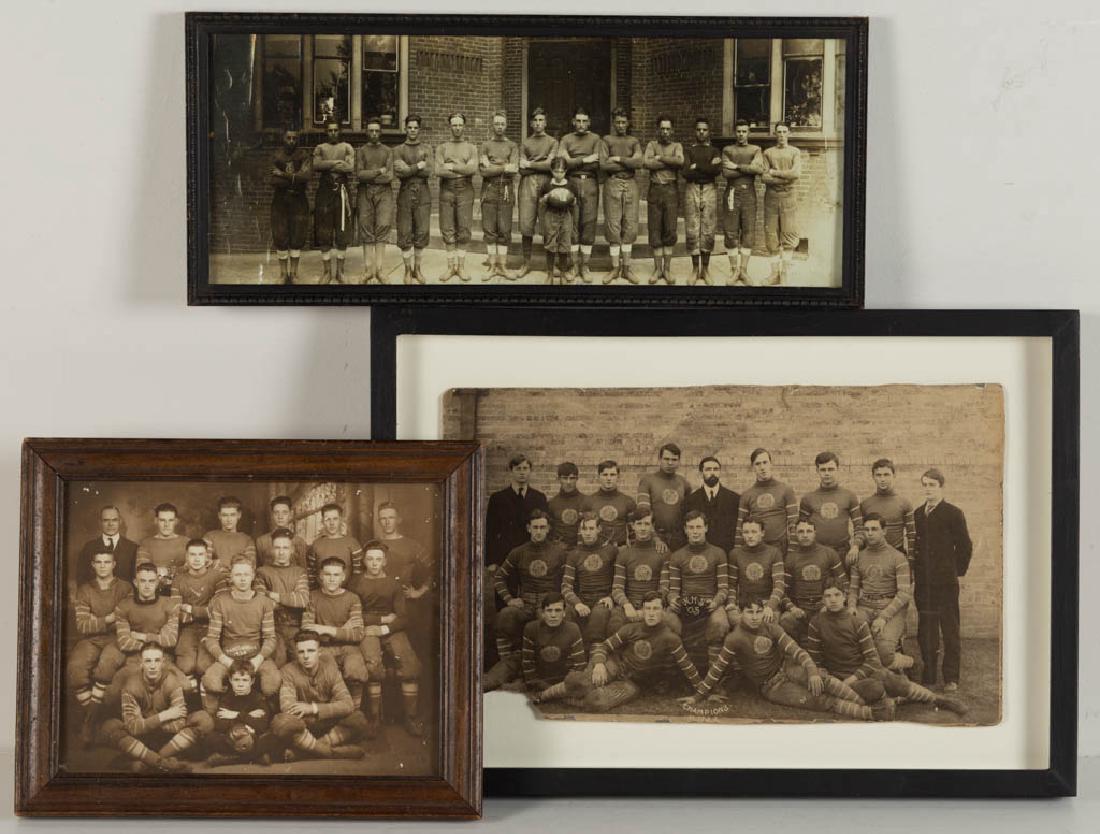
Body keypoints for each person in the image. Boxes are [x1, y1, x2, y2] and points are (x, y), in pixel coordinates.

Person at [693, 600, 892, 721]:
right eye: (749, 612)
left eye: (758, 612)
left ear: (763, 612)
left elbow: (797, 651)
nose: (755, 617)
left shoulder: (770, 627)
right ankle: (871, 713)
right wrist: (697, 697)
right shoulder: (734, 638)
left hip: (787, 668)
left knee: (823, 680)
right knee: (819, 700)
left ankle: (872, 703)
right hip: (771, 685)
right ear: (740, 613)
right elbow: (717, 669)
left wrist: (812, 672)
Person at [806, 583, 967, 716]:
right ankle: (889, 702)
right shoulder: (816, 622)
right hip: (838, 676)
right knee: (873, 689)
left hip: (860, 672)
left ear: (845, 597)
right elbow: (815, 657)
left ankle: (938, 700)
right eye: (828, 596)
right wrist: (822, 672)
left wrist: (854, 678)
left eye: (837, 595)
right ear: (822, 600)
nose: (833, 600)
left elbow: (873, 660)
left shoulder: (857, 622)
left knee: (896, 683)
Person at [564, 593, 704, 712]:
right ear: (642, 610)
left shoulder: (671, 638)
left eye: (656, 608)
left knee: (597, 702)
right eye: (647, 608)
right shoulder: (631, 628)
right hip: (615, 666)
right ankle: (545, 694)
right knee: (576, 681)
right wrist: (599, 664)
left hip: (632, 683)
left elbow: (688, 666)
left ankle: (570, 700)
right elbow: (604, 646)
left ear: (663, 611)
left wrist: (701, 694)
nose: (651, 613)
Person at [97, 642, 211, 772]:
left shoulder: (172, 682)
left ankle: (149, 761)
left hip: (167, 739)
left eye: (156, 660)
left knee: (204, 719)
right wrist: (165, 715)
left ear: (163, 662)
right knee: (108, 727)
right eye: (148, 661)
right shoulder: (130, 686)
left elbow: (179, 724)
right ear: (141, 663)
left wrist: (144, 722)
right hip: (142, 739)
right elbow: (133, 729)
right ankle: (161, 762)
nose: (152, 666)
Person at [350, 541, 424, 737]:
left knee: (410, 665)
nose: (374, 563)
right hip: (365, 628)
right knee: (373, 665)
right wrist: (377, 621)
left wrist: (384, 628)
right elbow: (353, 613)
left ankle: (411, 717)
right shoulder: (355, 583)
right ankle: (375, 718)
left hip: (389, 629)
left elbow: (402, 617)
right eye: (370, 559)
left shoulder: (394, 584)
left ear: (384, 561)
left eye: (378, 559)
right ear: (364, 561)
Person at [913, 468, 972, 692]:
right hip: (924, 584)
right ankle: (928, 674)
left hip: (946, 584)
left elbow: (965, 546)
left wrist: (955, 571)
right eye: (925, 484)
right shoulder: (918, 514)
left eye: (932, 485)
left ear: (941, 487)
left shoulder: (953, 513)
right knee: (926, 629)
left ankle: (951, 678)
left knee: (949, 629)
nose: (928, 489)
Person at [271, 631, 368, 760]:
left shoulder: (330, 669)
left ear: (319, 651)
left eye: (311, 651)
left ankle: (306, 752)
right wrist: (306, 713)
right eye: (301, 652)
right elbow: (287, 707)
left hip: (328, 724)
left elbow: (347, 704)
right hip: (302, 726)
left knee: (358, 719)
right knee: (281, 723)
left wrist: (313, 708)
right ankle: (330, 753)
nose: (306, 656)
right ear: (296, 653)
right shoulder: (287, 671)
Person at [200, 557, 280, 712]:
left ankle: (263, 715)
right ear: (230, 577)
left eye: (246, 574)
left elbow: (270, 638)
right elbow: (211, 639)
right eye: (237, 575)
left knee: (271, 684)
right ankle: (217, 717)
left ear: (253, 576)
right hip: (229, 655)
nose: (242, 579)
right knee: (210, 681)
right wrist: (225, 660)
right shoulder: (220, 601)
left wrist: (259, 659)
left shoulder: (264, 602)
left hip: (255, 656)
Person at [95, 563, 181, 696]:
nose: (147, 586)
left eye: (151, 581)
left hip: (159, 656)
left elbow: (170, 641)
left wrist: (141, 636)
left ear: (158, 582)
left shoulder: (170, 605)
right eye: (143, 581)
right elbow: (124, 642)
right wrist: (157, 639)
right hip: (133, 657)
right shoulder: (123, 606)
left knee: (183, 686)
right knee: (118, 689)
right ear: (135, 582)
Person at [493, 510, 567, 661]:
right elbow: (499, 577)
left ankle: (543, 665)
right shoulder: (518, 552)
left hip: (548, 603)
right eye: (535, 527)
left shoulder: (559, 552)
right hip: (525, 603)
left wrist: (561, 599)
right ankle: (506, 663)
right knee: (505, 616)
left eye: (542, 527)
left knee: (546, 626)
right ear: (528, 528)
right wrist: (509, 600)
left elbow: (569, 579)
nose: (538, 531)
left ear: (548, 529)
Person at [67, 548, 133, 710]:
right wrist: (109, 619)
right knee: (75, 669)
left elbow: (128, 620)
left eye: (107, 562)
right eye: (99, 562)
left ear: (114, 564)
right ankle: (90, 713)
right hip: (91, 640)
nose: (103, 566)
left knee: (106, 665)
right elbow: (82, 625)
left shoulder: (126, 588)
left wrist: (96, 621)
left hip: (117, 638)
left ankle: (92, 717)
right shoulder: (84, 590)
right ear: (93, 565)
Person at [301, 557, 368, 712]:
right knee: (324, 673)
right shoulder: (312, 597)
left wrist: (324, 629)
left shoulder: (352, 598)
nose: (332, 579)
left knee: (355, 668)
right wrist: (343, 630)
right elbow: (307, 631)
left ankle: (355, 712)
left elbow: (358, 634)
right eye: (328, 574)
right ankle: (332, 714)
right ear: (321, 576)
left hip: (348, 648)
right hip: (322, 648)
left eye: (336, 575)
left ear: (343, 577)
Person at [848, 513, 913, 670]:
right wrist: (851, 607)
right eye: (867, 529)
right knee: (848, 643)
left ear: (884, 531)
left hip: (890, 608)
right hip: (865, 606)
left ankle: (909, 662)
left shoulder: (898, 557)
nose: (870, 533)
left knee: (883, 652)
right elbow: (853, 589)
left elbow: (904, 593)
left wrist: (883, 617)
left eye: (875, 529)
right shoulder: (860, 557)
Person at [666, 511, 729, 669]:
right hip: (684, 604)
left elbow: (723, 588)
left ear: (706, 528)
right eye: (691, 527)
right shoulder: (677, 556)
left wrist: (715, 602)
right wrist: (673, 600)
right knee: (666, 621)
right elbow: (673, 590)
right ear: (685, 530)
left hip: (710, 602)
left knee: (720, 623)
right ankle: (678, 674)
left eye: (699, 527)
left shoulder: (718, 553)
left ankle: (713, 677)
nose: (695, 531)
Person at [607, 509, 678, 634]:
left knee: (673, 623)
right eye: (639, 524)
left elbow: (665, 587)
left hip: (654, 605)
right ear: (633, 526)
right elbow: (617, 588)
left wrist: (649, 608)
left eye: (646, 524)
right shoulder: (624, 555)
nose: (643, 528)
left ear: (652, 526)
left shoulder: (663, 553)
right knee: (615, 624)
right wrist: (627, 605)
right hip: (630, 605)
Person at [779, 519, 847, 646]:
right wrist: (792, 608)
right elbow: (783, 592)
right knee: (786, 620)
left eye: (809, 531)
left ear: (815, 532)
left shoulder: (829, 553)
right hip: (801, 608)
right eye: (801, 532)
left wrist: (829, 605)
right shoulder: (790, 558)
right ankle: (797, 653)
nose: (805, 535)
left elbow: (843, 584)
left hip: (824, 607)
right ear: (795, 535)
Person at [171, 538, 227, 691]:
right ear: (186, 556)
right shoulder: (179, 580)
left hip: (212, 628)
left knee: (204, 666)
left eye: (200, 555)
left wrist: (190, 609)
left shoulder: (218, 577)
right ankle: (193, 701)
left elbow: (219, 610)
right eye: (192, 555)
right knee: (185, 666)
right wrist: (204, 611)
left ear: (206, 557)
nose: (196, 559)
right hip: (187, 628)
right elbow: (176, 612)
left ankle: (204, 703)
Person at [204, 660, 281, 767]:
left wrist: (235, 715)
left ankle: (230, 759)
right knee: (210, 738)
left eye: (245, 680)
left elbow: (261, 726)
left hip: (254, 738)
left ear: (252, 681)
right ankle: (255, 757)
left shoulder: (258, 698)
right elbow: (220, 725)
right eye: (236, 680)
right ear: (230, 680)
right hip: (231, 738)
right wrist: (248, 719)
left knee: (273, 737)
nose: (240, 684)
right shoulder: (226, 698)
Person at [556, 107, 602, 281]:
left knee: (588, 224)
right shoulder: (566, 139)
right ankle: (573, 265)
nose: (581, 124)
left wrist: (573, 161)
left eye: (584, 121)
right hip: (572, 182)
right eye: (578, 121)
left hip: (590, 182)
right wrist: (584, 160)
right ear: (573, 122)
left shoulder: (596, 139)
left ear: (589, 122)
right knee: (573, 223)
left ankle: (585, 266)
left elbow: (596, 164)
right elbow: (563, 162)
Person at [561, 512, 618, 651]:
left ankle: (595, 659)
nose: (587, 533)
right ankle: (573, 656)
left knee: (598, 615)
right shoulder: (574, 554)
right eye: (584, 529)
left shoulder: (611, 551)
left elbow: (621, 581)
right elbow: (565, 586)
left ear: (599, 529)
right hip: (583, 599)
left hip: (603, 599)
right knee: (566, 613)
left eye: (591, 529)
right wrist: (577, 603)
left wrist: (611, 597)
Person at [254, 528, 310, 666]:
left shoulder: (299, 572)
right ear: (271, 549)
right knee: (278, 660)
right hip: (272, 628)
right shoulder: (262, 572)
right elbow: (261, 602)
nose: (281, 552)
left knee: (301, 662)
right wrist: (290, 599)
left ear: (292, 550)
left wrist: (272, 595)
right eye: (277, 547)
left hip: (295, 628)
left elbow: (303, 599)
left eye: (285, 547)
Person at [599, 108, 643, 284]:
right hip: (613, 183)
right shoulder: (606, 140)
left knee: (630, 225)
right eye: (618, 122)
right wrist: (628, 162)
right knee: (613, 225)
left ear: (628, 123)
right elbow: (603, 164)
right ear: (613, 122)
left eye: (624, 122)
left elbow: (639, 162)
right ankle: (615, 268)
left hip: (631, 184)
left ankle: (626, 269)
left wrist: (618, 159)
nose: (621, 125)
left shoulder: (634, 141)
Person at [515, 107, 559, 279]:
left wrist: (531, 165)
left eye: (542, 120)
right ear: (531, 123)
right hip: (527, 185)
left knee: (549, 225)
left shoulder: (553, 142)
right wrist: (539, 164)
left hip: (547, 184)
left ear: (545, 123)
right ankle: (526, 263)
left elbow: (551, 166)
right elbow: (521, 169)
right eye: (536, 120)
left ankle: (550, 267)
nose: (539, 123)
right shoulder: (525, 143)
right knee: (526, 225)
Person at [435, 112, 479, 282]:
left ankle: (460, 267)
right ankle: (450, 267)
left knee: (464, 228)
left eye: (460, 125)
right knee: (447, 227)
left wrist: (451, 166)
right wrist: (462, 168)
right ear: (450, 126)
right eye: (454, 125)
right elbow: (439, 171)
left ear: (464, 126)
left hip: (465, 190)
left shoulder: (471, 147)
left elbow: (472, 170)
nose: (457, 128)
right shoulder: (442, 147)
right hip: (446, 190)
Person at [799, 451, 862, 568]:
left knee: (843, 585)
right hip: (816, 553)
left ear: (837, 469)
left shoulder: (849, 496)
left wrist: (855, 546)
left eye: (831, 469)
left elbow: (859, 526)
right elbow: (801, 529)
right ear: (817, 471)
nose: (827, 473)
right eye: (823, 470)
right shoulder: (808, 498)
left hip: (842, 552)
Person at [485, 454, 549, 569]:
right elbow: (491, 532)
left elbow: (544, 529)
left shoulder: (539, 497)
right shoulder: (498, 498)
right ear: (511, 471)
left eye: (525, 468)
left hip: (531, 555)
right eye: (518, 469)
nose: (522, 472)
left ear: (530, 471)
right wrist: (491, 561)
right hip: (505, 555)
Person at [721, 119, 764, 285]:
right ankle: (734, 270)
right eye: (738, 131)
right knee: (730, 233)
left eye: (744, 131)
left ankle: (744, 270)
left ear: (749, 133)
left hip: (749, 194)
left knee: (748, 232)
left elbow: (758, 170)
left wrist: (737, 167)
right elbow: (726, 173)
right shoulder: (727, 149)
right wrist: (747, 169)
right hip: (732, 193)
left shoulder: (755, 149)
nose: (741, 134)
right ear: (735, 132)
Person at [312, 121, 355, 284]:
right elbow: (316, 165)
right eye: (330, 130)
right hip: (324, 193)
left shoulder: (347, 147)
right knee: (324, 231)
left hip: (342, 192)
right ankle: (327, 272)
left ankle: (340, 272)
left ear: (340, 131)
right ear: (326, 132)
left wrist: (327, 166)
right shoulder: (320, 148)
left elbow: (350, 168)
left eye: (336, 129)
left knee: (342, 231)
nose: (333, 132)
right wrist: (336, 163)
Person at [392, 114, 432, 284]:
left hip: (423, 192)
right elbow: (399, 173)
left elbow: (429, 171)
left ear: (419, 129)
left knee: (422, 232)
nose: (413, 130)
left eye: (416, 127)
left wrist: (409, 169)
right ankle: (407, 271)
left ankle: (418, 269)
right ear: (405, 128)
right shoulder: (398, 150)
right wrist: (418, 166)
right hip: (405, 192)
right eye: (410, 127)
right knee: (405, 231)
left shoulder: (427, 148)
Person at [682, 117, 723, 285]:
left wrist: (697, 166)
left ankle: (705, 269)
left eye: (704, 130)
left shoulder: (714, 151)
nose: (701, 132)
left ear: (708, 132)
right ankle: (694, 269)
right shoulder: (688, 150)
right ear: (695, 131)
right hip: (691, 189)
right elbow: (685, 173)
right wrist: (706, 167)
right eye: (698, 129)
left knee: (708, 227)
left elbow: (716, 171)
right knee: (692, 227)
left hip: (709, 190)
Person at [643, 115, 683, 284]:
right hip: (655, 190)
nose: (665, 132)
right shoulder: (652, 145)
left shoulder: (677, 146)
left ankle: (667, 270)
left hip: (671, 191)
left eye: (668, 129)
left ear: (672, 130)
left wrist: (660, 158)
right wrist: (669, 162)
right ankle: (657, 269)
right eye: (662, 128)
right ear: (658, 130)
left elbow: (680, 162)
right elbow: (647, 163)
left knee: (670, 229)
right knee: (655, 229)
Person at [479, 111, 519, 281]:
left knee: (504, 229)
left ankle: (502, 266)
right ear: (492, 125)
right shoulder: (485, 145)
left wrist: (494, 165)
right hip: (489, 189)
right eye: (497, 124)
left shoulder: (512, 146)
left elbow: (515, 169)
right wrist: (504, 166)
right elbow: (483, 172)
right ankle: (492, 266)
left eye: (502, 123)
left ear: (506, 125)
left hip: (506, 190)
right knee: (489, 229)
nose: (499, 127)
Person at [734, 448, 798, 554]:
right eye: (758, 464)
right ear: (753, 467)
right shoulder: (747, 495)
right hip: (755, 549)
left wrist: (792, 551)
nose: (762, 467)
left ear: (771, 464)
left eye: (765, 462)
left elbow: (794, 524)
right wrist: (737, 552)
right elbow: (740, 526)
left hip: (780, 548)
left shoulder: (786, 490)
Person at [761, 121, 802, 285]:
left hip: (789, 196)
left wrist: (775, 173)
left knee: (789, 233)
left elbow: (796, 173)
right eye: (779, 132)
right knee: (771, 234)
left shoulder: (795, 152)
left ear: (789, 133)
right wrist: (785, 176)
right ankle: (774, 274)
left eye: (785, 131)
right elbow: (764, 177)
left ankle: (784, 273)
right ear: (775, 134)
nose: (782, 135)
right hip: (771, 196)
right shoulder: (768, 152)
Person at [355, 116, 394, 284]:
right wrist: (379, 171)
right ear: (366, 132)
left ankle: (379, 270)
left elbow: (389, 177)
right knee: (366, 229)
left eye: (377, 131)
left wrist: (370, 176)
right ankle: (367, 270)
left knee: (383, 227)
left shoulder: (388, 151)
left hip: (384, 193)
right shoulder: (361, 151)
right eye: (371, 130)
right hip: (364, 193)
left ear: (381, 132)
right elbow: (360, 175)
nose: (374, 134)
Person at [269, 128, 311, 284]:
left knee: (297, 235)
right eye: (289, 138)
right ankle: (283, 274)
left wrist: (283, 175)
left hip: (299, 199)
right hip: (280, 200)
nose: (292, 141)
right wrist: (295, 178)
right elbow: (273, 180)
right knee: (280, 235)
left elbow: (306, 176)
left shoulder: (303, 155)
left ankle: (293, 273)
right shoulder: (276, 155)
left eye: (294, 138)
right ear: (283, 138)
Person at [726, 519, 785, 626]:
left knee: (768, 624)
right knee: (739, 623)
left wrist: (770, 606)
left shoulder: (774, 553)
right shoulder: (735, 554)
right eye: (746, 532)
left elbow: (779, 585)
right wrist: (731, 603)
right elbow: (731, 585)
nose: (750, 536)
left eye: (754, 532)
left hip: (766, 603)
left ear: (762, 533)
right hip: (744, 604)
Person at [857, 459, 917, 559]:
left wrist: (910, 558)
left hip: (897, 556)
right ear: (873, 477)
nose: (882, 479)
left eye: (886, 474)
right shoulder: (865, 504)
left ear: (894, 476)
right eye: (878, 475)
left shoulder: (904, 503)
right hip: (872, 556)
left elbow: (911, 535)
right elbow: (861, 533)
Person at [636, 443, 690, 552]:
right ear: (659, 459)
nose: (670, 463)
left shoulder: (684, 483)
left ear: (679, 461)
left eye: (674, 460)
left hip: (679, 539)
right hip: (655, 539)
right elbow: (643, 514)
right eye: (666, 459)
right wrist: (655, 538)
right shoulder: (647, 481)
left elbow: (689, 514)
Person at [682, 455, 740, 554]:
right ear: (701, 473)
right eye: (708, 469)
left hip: (727, 552)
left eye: (716, 469)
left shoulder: (734, 499)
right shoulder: (690, 500)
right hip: (700, 553)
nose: (712, 473)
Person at [74, 505, 138, 593]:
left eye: (114, 520)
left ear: (120, 521)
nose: (110, 524)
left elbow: (137, 579)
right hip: (96, 600)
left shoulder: (133, 547)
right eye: (106, 520)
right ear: (100, 522)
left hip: (125, 599)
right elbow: (81, 579)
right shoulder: (89, 547)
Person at [537, 156, 580, 283]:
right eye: (556, 171)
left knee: (564, 245)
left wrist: (571, 199)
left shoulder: (571, 185)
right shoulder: (547, 184)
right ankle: (550, 274)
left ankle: (562, 273)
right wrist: (546, 198)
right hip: (551, 215)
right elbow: (540, 202)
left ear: (566, 171)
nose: (559, 174)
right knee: (550, 244)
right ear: (551, 171)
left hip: (566, 215)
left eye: (562, 171)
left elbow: (575, 202)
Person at [137, 502, 189, 595]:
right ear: (156, 521)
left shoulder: (187, 542)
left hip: (183, 592)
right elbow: (143, 571)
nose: (166, 524)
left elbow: (191, 570)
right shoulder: (146, 543)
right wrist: (176, 571)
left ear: (176, 521)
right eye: (162, 520)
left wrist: (164, 571)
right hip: (154, 594)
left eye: (170, 520)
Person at [306, 502, 363, 586]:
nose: (331, 523)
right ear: (322, 521)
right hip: (322, 593)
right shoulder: (316, 545)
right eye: (327, 519)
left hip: (347, 592)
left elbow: (358, 574)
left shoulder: (352, 543)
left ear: (340, 520)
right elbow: (311, 574)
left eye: (335, 519)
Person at [583, 459, 637, 547]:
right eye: (605, 475)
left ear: (618, 477)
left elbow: (633, 531)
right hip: (597, 549)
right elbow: (583, 530)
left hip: (620, 550)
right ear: (599, 476)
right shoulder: (589, 501)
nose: (608, 478)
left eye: (612, 475)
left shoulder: (627, 501)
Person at [203, 496, 257, 570]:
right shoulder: (209, 537)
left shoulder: (247, 540)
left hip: (239, 579)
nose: (229, 519)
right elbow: (204, 561)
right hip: (215, 579)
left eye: (232, 515)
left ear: (239, 515)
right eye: (225, 515)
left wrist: (217, 563)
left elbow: (251, 565)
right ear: (219, 516)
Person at [255, 495, 308, 568]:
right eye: (276, 513)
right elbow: (259, 568)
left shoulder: (299, 542)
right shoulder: (262, 541)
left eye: (284, 512)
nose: (280, 516)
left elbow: (303, 570)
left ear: (290, 514)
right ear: (272, 514)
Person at [548, 461, 587, 546]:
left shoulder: (586, 501)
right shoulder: (552, 503)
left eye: (572, 478)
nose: (568, 482)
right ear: (559, 479)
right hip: (558, 550)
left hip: (579, 550)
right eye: (565, 478)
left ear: (577, 479)